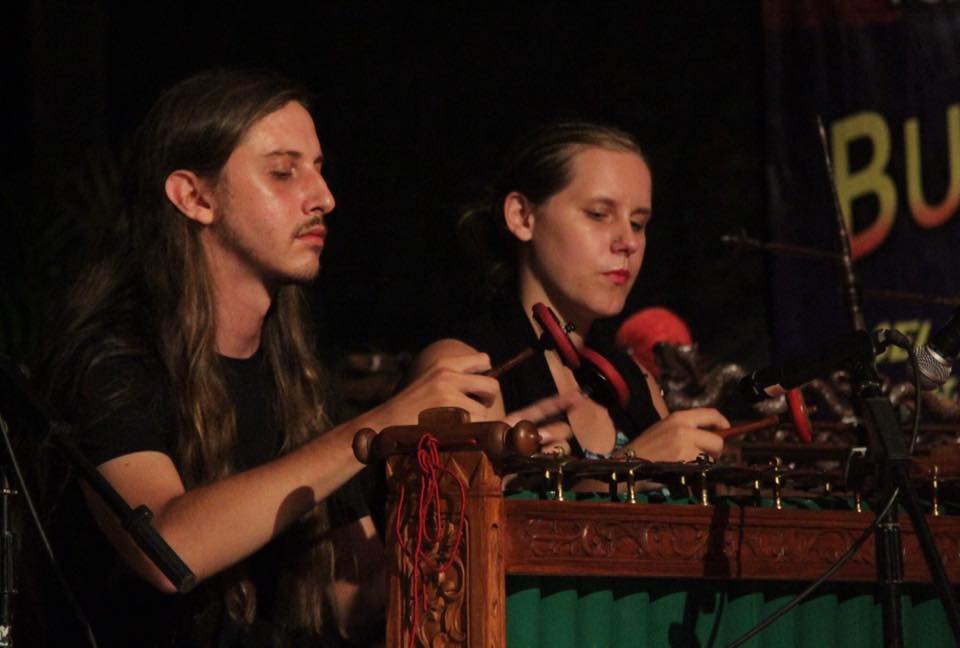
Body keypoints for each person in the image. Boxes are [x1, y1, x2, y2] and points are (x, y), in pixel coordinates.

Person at [37, 69, 510, 647]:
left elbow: (352, 605)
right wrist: (381, 421)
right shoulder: (114, 359)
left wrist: (475, 506)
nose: (324, 198)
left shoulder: (297, 374)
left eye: (318, 169)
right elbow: (165, 549)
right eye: (284, 172)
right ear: (195, 197)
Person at [415, 122, 729, 462]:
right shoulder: (464, 369)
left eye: (638, 223)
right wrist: (631, 469)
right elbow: (460, 514)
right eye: (598, 214)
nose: (629, 242)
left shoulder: (636, 379)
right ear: (522, 217)